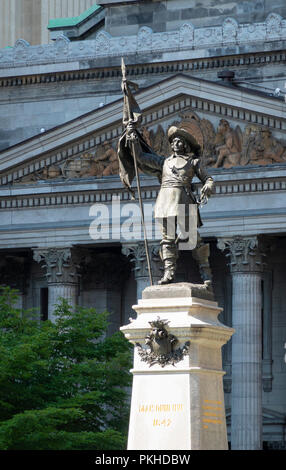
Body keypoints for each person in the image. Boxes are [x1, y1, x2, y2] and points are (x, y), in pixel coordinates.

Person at [118, 121, 214, 285]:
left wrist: (208, 186)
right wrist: (132, 138)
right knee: (167, 239)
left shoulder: (193, 163)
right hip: (166, 201)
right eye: (174, 141)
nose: (176, 144)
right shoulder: (164, 162)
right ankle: (169, 273)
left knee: (193, 239)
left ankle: (205, 272)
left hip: (184, 202)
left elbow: (208, 178)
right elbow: (141, 157)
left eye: (179, 141)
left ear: (185, 145)